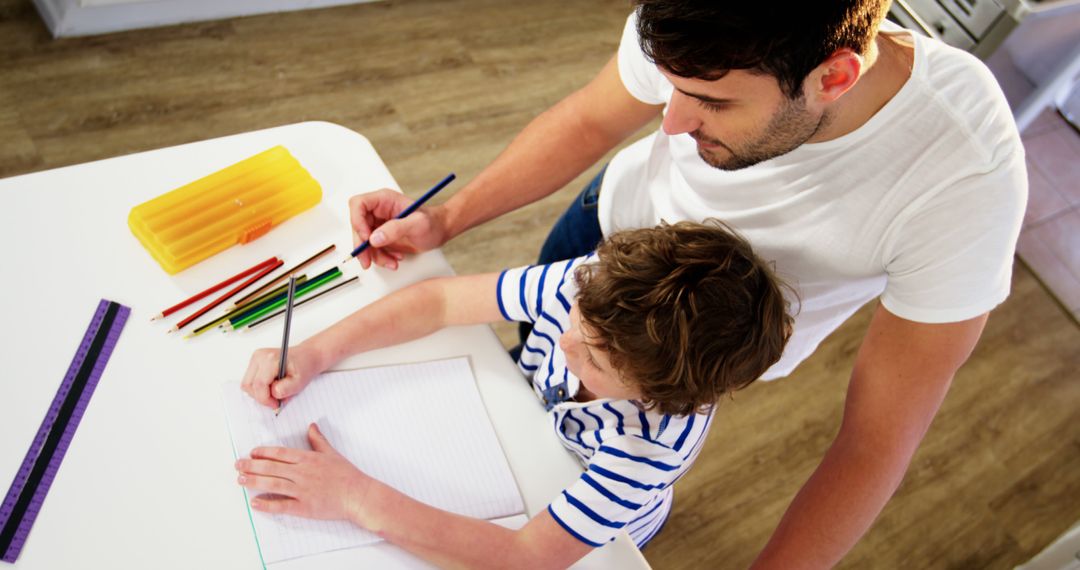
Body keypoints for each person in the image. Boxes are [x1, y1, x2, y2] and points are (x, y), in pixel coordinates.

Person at [344, 1, 1028, 567]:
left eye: (709, 101)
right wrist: (446, 219)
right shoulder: (695, 15)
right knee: (532, 383)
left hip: (689, 349)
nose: (668, 121)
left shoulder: (964, 178)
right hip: (600, 237)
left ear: (835, 77)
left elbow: (875, 441)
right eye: (669, 85)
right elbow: (590, 119)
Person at [235, 220, 793, 567]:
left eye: (594, 359)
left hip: (593, 528)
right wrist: (315, 352)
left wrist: (357, 499)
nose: (566, 340)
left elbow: (526, 559)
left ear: (655, 395)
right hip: (512, 434)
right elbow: (438, 302)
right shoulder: (597, 286)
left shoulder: (649, 450)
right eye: (576, 320)